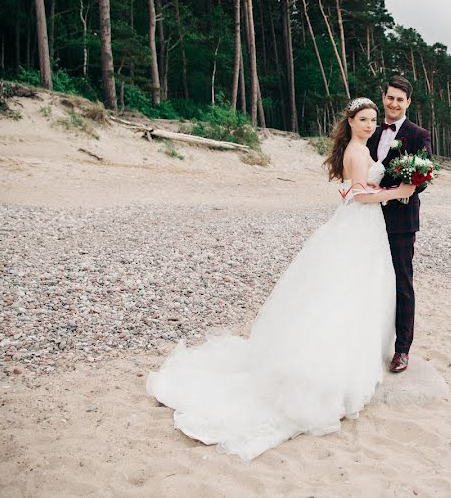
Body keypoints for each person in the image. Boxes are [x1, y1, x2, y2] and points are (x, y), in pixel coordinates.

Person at [146, 97, 415, 461]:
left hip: (364, 230)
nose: (369, 125)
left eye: (371, 120)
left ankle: (354, 359)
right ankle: (329, 369)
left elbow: (351, 191)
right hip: (359, 226)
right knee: (345, 292)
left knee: (358, 293)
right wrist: (397, 192)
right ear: (350, 122)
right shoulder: (355, 150)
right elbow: (361, 195)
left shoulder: (360, 149)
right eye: (363, 120)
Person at [367, 75, 433, 373]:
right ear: (384, 98)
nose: (394, 103)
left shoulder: (418, 134)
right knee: (367, 279)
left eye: (400, 99)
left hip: (401, 220)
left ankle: (402, 350)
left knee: (402, 283)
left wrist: (399, 192)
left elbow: (423, 177)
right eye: (390, 97)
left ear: (408, 103)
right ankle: (368, 341)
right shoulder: (369, 129)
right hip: (366, 217)